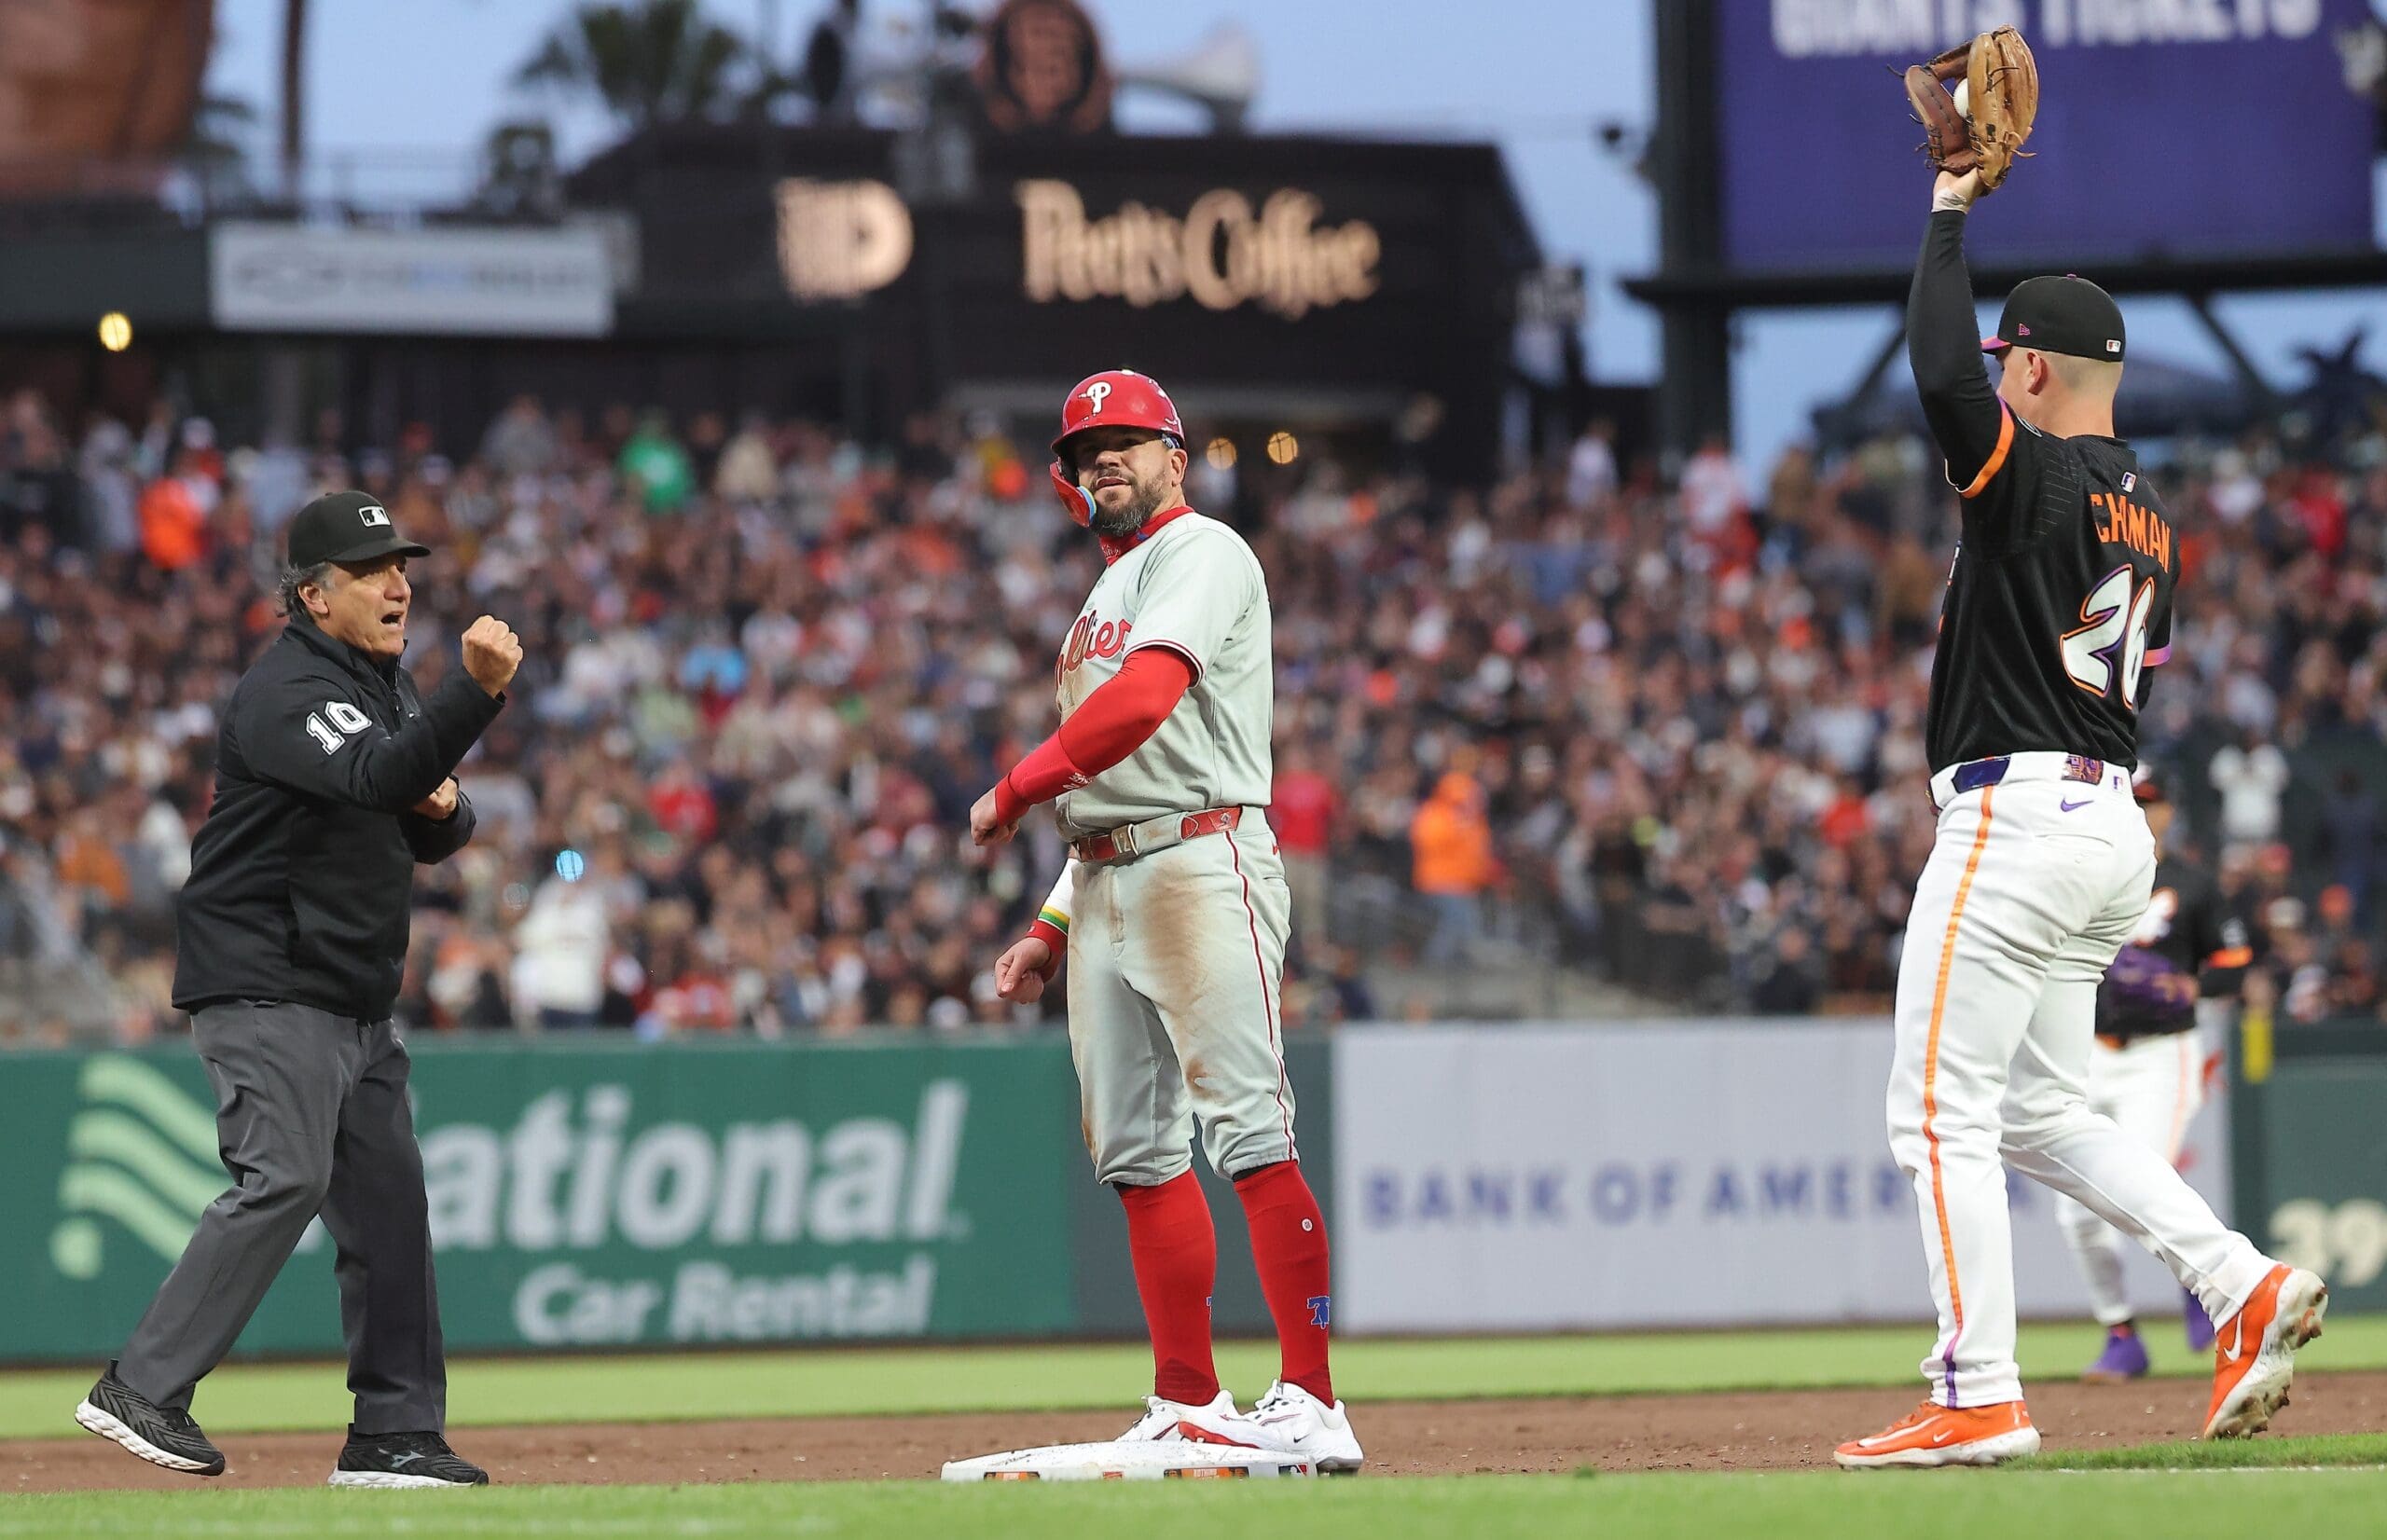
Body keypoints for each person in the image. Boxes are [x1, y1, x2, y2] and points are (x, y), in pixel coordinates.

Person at [1835, 159, 2325, 1469]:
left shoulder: (2034, 477)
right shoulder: (2150, 514)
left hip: (2020, 818)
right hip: (2106, 822)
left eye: (2008, 364)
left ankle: (1977, 1389)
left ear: (2037, 372)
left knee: (1933, 1115)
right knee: (2044, 1114)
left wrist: (1945, 208)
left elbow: (1939, 372)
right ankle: (2238, 1282)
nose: (1992, 379)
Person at [74, 490, 521, 1487]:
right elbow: (381, 778)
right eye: (372, 570)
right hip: (269, 980)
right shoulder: (285, 690)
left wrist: (439, 774)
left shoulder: (381, 686)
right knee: (284, 1173)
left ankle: (393, 1433)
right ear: (316, 595)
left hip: (355, 998)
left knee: (392, 1209)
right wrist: (474, 695)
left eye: (402, 565)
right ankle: (142, 1385)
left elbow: (438, 828)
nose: (399, 582)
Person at [973, 370, 1361, 1471]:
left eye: (1130, 439)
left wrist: (1011, 784)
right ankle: (1187, 1398)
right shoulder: (1103, 596)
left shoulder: (1203, 550)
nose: (1106, 456)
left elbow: (1144, 706)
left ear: (1175, 461)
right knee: (1139, 1156)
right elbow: (1110, 782)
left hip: (1199, 855)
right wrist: (1051, 920)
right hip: (1104, 872)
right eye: (1087, 445)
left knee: (1246, 1130)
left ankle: (1313, 1396)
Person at [2063, 768, 2252, 1382]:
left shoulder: (2192, 884)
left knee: (2141, 1178)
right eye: (2132, 799)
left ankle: (2204, 1287)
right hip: (2090, 1050)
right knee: (2076, 1213)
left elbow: (2235, 961)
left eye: (2151, 801)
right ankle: (2121, 1334)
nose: (2143, 810)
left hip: (2161, 1054)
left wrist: (2193, 984)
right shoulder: (2084, 874)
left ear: (2170, 810)